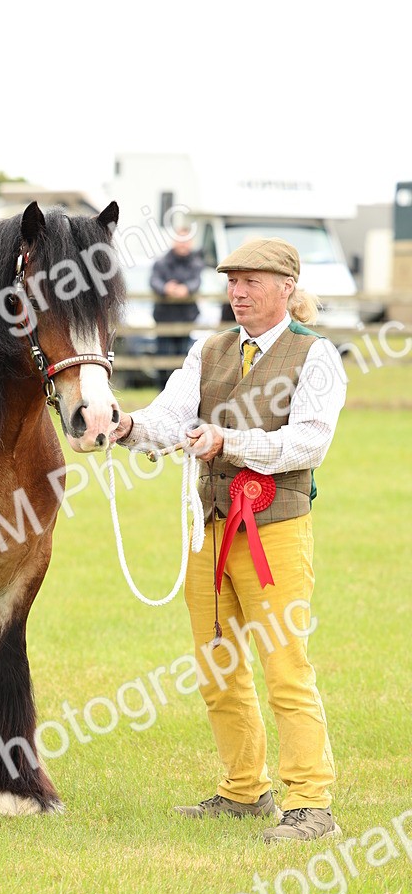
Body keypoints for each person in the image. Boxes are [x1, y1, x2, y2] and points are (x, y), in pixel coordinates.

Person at [111, 238, 347, 843]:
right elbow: (169, 419)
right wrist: (127, 427)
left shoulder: (316, 356)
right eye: (233, 282)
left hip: (277, 534)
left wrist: (229, 442)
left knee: (285, 665)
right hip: (207, 531)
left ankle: (311, 804)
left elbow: (309, 443)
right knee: (217, 667)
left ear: (287, 288)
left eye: (252, 282)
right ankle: (244, 790)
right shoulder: (207, 350)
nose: (238, 292)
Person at [150, 229, 204, 387]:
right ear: (174, 241)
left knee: (184, 358)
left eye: (186, 240)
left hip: (186, 318)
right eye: (180, 239)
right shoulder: (161, 262)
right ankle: (162, 391)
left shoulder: (196, 263)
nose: (183, 243)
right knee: (162, 358)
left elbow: (196, 282)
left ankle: (180, 390)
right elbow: (154, 281)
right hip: (164, 318)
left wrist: (185, 289)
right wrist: (166, 288)